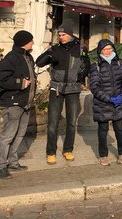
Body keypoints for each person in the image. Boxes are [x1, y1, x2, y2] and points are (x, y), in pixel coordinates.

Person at [36, 19, 90, 165]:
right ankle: (51, 152)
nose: (61, 37)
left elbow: (87, 65)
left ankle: (68, 150)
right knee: (52, 123)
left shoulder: (80, 48)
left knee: (71, 122)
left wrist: (79, 78)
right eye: (59, 35)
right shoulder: (55, 49)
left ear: (70, 34)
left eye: (63, 34)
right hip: (57, 89)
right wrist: (49, 53)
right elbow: (39, 62)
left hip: (73, 89)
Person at [0, 30, 37, 179]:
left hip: (25, 103)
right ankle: (0, 167)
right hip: (13, 103)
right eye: (31, 40)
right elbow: (0, 78)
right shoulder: (11, 57)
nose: (33, 43)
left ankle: (12, 161)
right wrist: (20, 83)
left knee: (19, 135)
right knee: (7, 137)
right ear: (24, 42)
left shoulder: (28, 57)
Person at [88, 39, 122, 166]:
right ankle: (103, 155)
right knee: (102, 130)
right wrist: (108, 99)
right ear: (100, 51)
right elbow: (94, 87)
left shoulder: (119, 63)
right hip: (103, 104)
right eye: (105, 49)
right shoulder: (96, 66)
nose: (108, 51)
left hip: (118, 102)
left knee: (119, 129)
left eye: (110, 49)